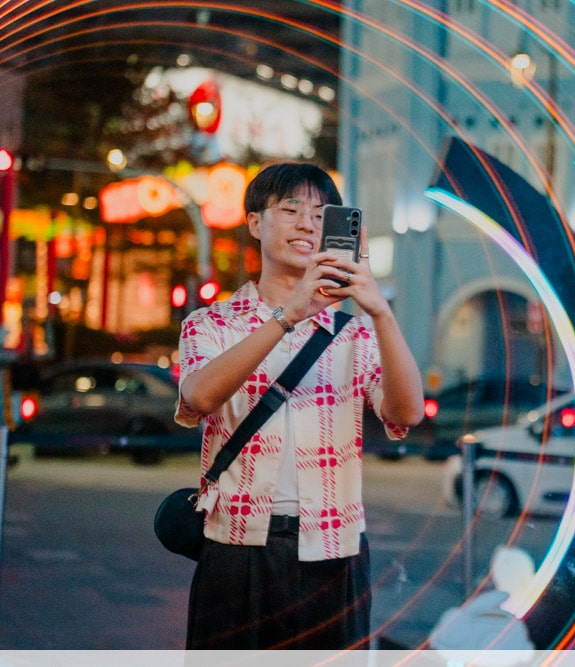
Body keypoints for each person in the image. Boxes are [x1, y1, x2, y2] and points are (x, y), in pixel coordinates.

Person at [175, 162, 425, 649]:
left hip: (333, 548)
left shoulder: (356, 334)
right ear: (255, 224)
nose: (307, 224)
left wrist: (379, 310)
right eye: (290, 210)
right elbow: (200, 397)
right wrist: (289, 316)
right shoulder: (212, 324)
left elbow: (407, 413)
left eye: (320, 214)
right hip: (236, 546)